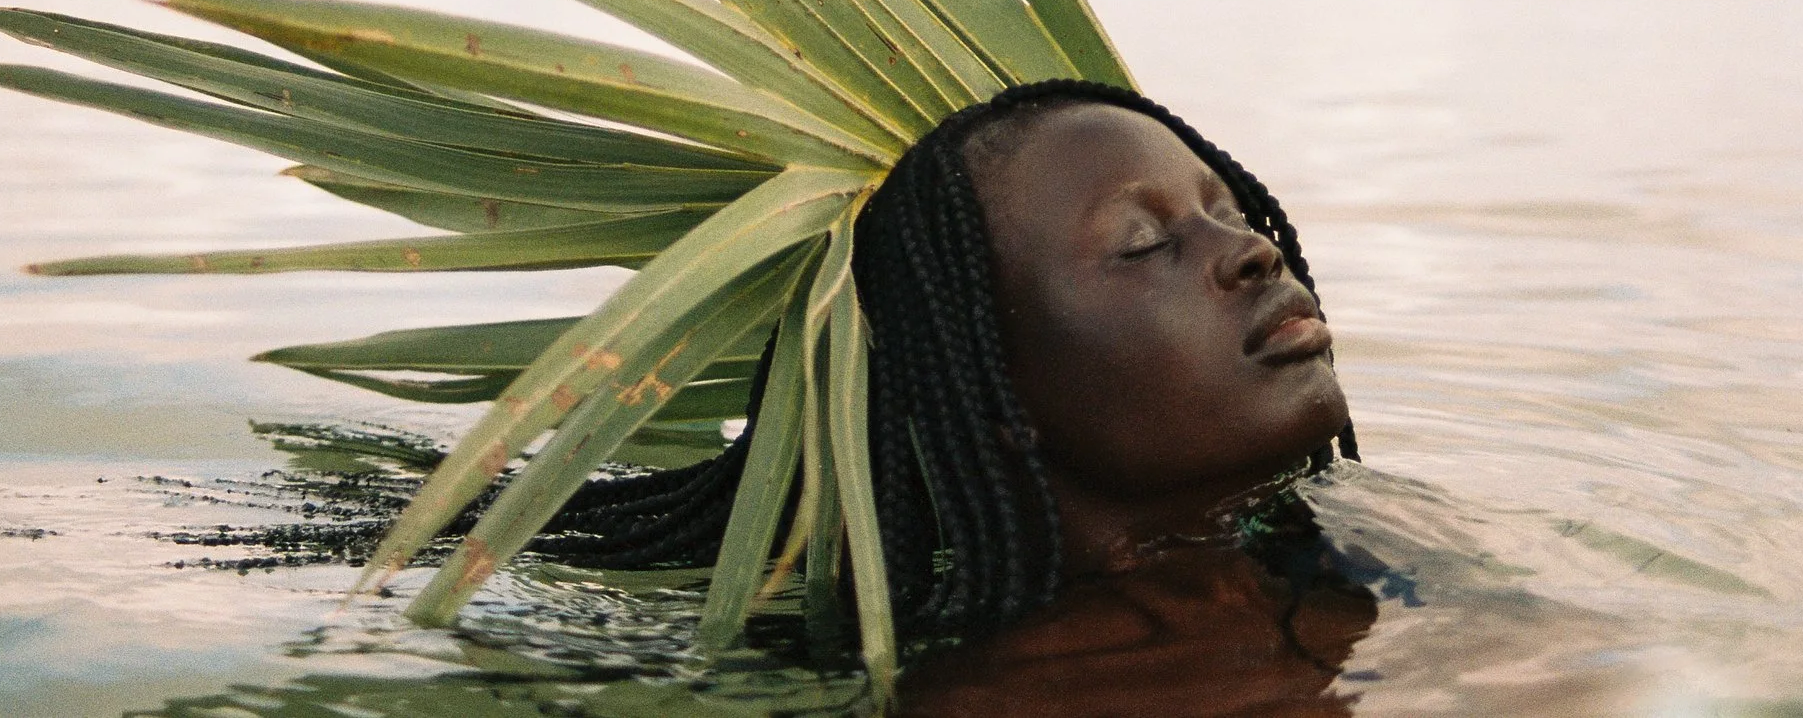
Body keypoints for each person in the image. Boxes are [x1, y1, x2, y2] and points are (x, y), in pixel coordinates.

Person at [531, 79, 1369, 704]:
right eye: (1143, 243)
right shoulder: (1026, 697)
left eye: (1227, 207)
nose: (1253, 248)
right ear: (1001, 395)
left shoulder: (1332, 562)